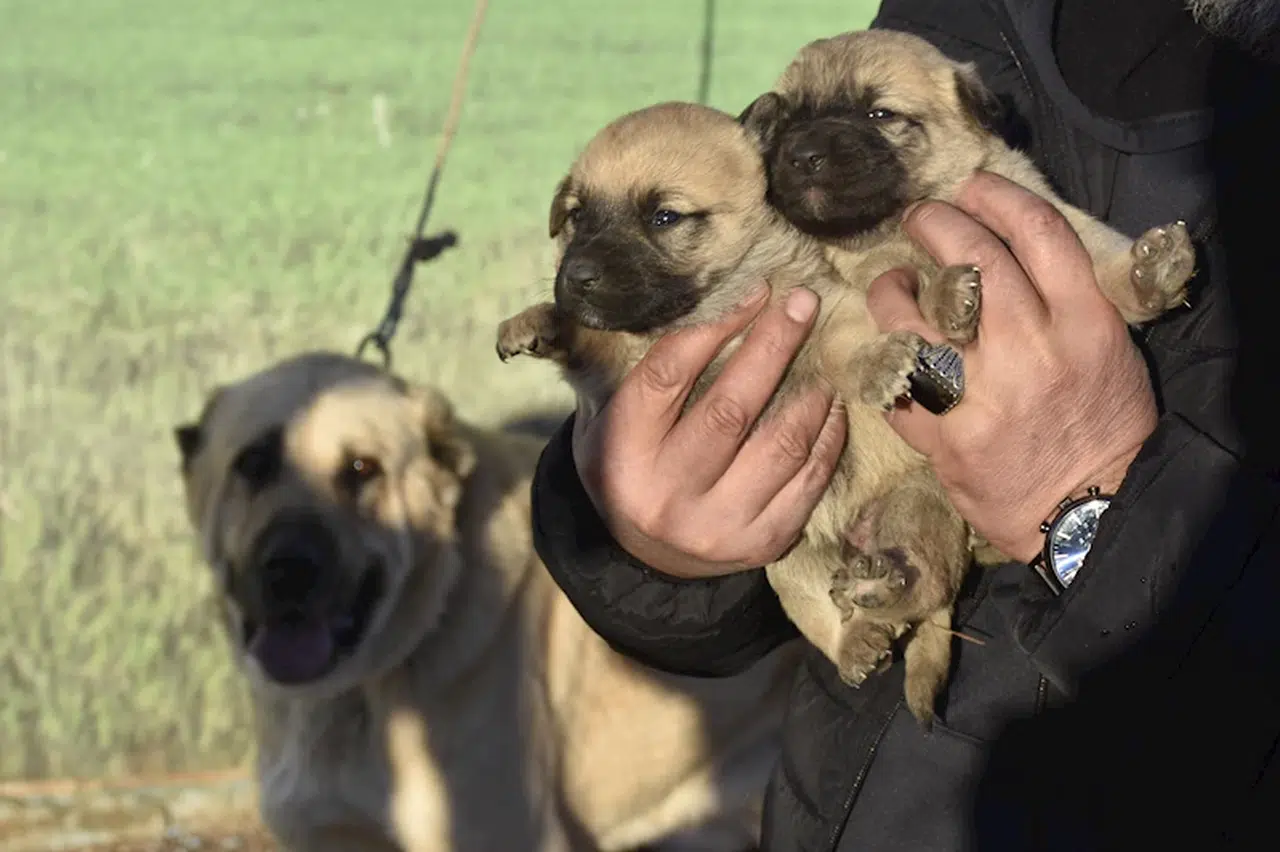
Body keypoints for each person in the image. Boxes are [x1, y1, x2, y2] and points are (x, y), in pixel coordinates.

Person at [529, 1, 1280, 849]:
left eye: (881, 120)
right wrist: (639, 535)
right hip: (868, 795)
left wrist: (1089, 506)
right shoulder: (987, 21)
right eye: (792, 123)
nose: (808, 145)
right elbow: (703, 247)